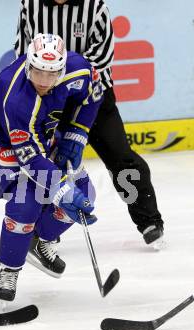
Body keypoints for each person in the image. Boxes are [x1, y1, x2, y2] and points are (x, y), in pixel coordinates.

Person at [15, 0, 165, 249]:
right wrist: (46, 82)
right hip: (49, 99)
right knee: (45, 163)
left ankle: (148, 220)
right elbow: (22, 53)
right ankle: (43, 229)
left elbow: (104, 55)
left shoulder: (95, 7)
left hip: (93, 97)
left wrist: (62, 77)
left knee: (120, 157)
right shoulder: (30, 6)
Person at [0, 33, 103, 301]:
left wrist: (77, 132)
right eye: (38, 71)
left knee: (85, 194)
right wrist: (60, 187)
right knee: (25, 200)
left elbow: (94, 95)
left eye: (51, 74)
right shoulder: (16, 97)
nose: (43, 81)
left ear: (62, 69)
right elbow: (28, 156)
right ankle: (9, 269)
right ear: (29, 64)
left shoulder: (80, 70)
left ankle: (39, 240)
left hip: (39, 131)